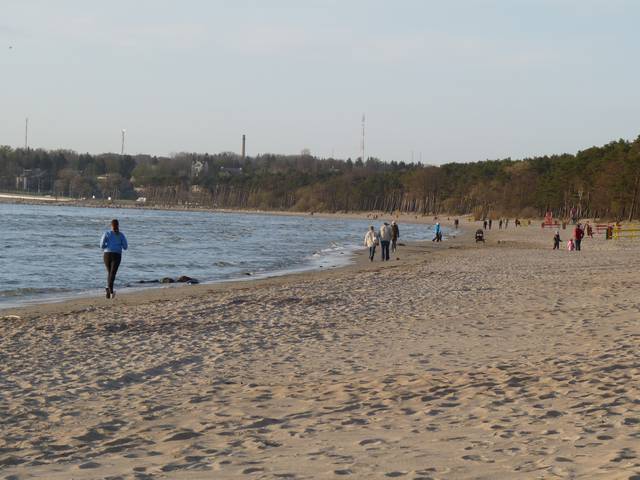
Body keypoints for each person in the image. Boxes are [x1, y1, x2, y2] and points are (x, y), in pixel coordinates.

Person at [100, 219, 128, 299]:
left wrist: (108, 246)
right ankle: (109, 289)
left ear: (111, 225)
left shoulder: (107, 233)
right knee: (112, 273)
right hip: (117, 255)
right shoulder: (121, 235)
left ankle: (109, 290)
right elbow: (125, 247)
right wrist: (118, 245)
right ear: (118, 225)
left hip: (107, 254)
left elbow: (101, 245)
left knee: (110, 272)